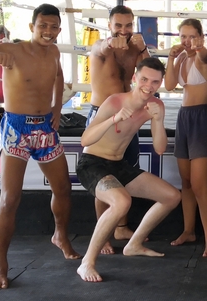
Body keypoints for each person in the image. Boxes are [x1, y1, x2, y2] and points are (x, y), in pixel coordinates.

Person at [0, 3, 80, 289]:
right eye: (42, 25)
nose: (48, 31)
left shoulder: (55, 51)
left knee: (64, 189)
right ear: (32, 26)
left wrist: (58, 107)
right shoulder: (14, 49)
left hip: (45, 127)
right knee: (9, 199)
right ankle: (0, 265)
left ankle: (60, 235)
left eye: (53, 27)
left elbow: (57, 76)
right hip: (16, 129)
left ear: (58, 30)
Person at [75, 57, 181, 282]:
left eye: (154, 82)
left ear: (160, 83)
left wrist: (159, 121)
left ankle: (134, 244)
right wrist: (113, 119)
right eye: (144, 79)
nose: (148, 86)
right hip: (92, 163)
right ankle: (87, 263)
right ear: (135, 78)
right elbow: (85, 140)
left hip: (119, 165)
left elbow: (160, 149)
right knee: (122, 202)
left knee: (171, 196)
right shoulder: (115, 101)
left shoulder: (156, 106)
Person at [87, 5, 150, 251]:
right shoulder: (101, 47)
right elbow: (100, 48)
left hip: (127, 117)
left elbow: (151, 69)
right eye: (118, 26)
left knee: (125, 172)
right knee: (101, 176)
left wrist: (143, 47)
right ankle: (102, 234)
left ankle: (121, 226)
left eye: (128, 25)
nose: (123, 31)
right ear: (109, 25)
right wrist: (110, 43)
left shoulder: (135, 48)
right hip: (103, 116)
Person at [164, 18, 207, 257]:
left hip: (203, 118)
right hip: (184, 117)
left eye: (191, 36)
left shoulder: (202, 56)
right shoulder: (182, 59)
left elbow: (206, 57)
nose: (186, 41)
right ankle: (189, 230)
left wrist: (199, 47)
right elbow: (168, 86)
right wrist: (170, 58)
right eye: (183, 36)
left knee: (199, 185)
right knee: (186, 182)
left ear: (200, 37)